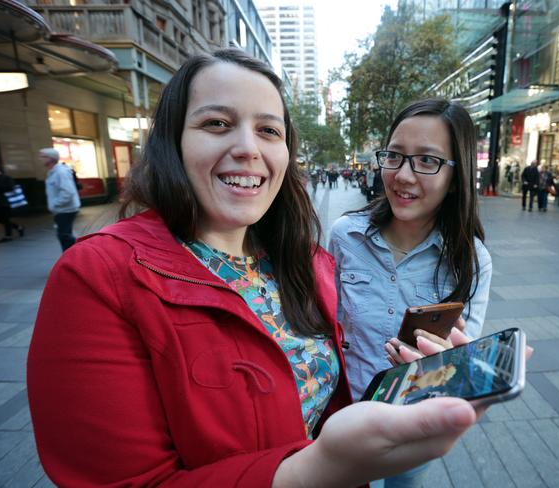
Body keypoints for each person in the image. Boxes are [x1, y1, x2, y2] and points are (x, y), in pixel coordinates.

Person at [28, 49, 479, 488]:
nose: (247, 148)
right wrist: (319, 468)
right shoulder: (96, 277)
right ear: (171, 142)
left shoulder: (305, 262)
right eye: (217, 123)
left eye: (268, 130)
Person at [329, 98, 492, 488]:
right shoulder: (344, 236)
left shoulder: (472, 261)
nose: (403, 175)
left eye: (427, 160)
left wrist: (454, 360)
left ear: (457, 175)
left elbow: (461, 361)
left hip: (415, 421)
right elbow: (325, 327)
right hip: (345, 417)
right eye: (395, 156)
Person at [38, 148, 81, 251]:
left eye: (43, 156)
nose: (40, 159)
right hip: (62, 209)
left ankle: (71, 258)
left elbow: (67, 192)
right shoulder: (53, 172)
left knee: (64, 236)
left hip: (65, 209)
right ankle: (73, 256)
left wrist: (55, 204)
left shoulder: (60, 172)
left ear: (51, 158)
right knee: (65, 235)